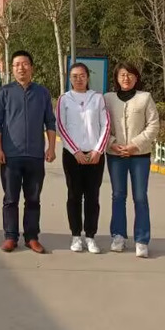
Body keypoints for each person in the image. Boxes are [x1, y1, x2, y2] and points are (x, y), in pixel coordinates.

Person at [0, 50, 56, 254]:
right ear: (12, 69)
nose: (21, 68)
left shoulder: (42, 93)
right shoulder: (5, 92)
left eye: (25, 64)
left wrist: (51, 147)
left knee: (33, 199)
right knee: (10, 199)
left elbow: (50, 122)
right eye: (17, 64)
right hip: (10, 155)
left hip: (35, 155)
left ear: (32, 68)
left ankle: (32, 237)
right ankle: (10, 237)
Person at [104, 62, 160, 258]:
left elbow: (153, 125)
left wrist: (134, 145)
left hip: (139, 156)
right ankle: (118, 236)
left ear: (136, 78)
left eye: (129, 75)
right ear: (116, 78)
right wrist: (112, 143)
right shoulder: (108, 99)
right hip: (116, 155)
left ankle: (141, 240)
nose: (126, 78)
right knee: (118, 195)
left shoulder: (145, 98)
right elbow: (102, 124)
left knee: (140, 197)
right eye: (122, 75)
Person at [56, 62, 110, 254]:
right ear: (70, 79)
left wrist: (98, 150)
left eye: (82, 76)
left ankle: (91, 236)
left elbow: (105, 125)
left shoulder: (97, 98)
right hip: (72, 156)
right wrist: (75, 151)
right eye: (74, 76)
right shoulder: (64, 99)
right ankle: (76, 236)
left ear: (88, 77)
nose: (78, 79)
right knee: (74, 196)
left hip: (95, 156)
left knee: (92, 197)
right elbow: (61, 126)